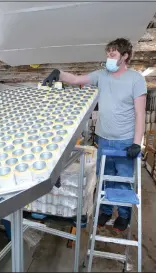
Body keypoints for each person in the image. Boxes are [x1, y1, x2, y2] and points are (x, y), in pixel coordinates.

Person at [42, 38, 146, 232]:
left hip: (125, 141)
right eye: (108, 54)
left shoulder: (136, 79)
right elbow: (76, 79)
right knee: (105, 178)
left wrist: (136, 142)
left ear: (125, 56)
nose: (109, 58)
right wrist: (59, 73)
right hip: (104, 139)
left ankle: (123, 216)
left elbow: (140, 113)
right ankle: (106, 211)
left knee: (122, 181)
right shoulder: (102, 75)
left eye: (113, 55)